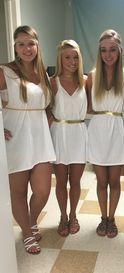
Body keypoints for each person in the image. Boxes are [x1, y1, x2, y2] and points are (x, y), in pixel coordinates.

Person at [0, 25, 55, 254]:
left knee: (43, 190)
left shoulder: (42, 73)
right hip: (16, 137)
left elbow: (49, 107)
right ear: (15, 46)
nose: (26, 48)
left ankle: (30, 222)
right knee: (19, 191)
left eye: (30, 43)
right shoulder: (5, 71)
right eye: (21, 44)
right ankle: (26, 231)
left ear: (37, 45)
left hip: (40, 137)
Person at [86, 29, 124, 238]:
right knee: (101, 181)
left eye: (112, 49)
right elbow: (84, 106)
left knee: (115, 181)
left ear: (120, 50)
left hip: (118, 132)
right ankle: (103, 217)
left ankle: (112, 218)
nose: (108, 54)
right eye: (103, 50)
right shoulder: (92, 77)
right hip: (97, 131)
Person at [49, 40, 87, 237]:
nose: (72, 61)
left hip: (79, 133)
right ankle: (63, 216)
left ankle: (74, 215)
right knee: (62, 181)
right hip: (60, 132)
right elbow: (45, 111)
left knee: (76, 180)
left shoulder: (86, 80)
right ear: (60, 59)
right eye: (67, 57)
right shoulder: (52, 81)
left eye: (75, 57)